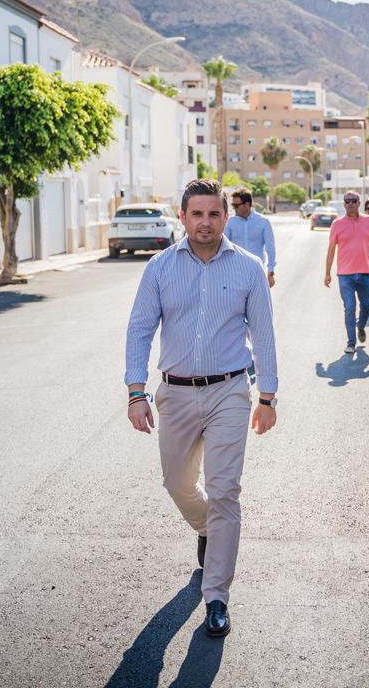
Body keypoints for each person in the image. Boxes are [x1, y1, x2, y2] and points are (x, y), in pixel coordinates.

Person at [125, 178, 278, 639]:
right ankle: (206, 529)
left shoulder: (249, 268)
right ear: (183, 216)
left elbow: (265, 337)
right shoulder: (158, 268)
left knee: (225, 490)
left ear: (226, 217)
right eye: (197, 214)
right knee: (176, 482)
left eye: (214, 214)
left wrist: (268, 397)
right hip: (174, 392)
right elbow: (139, 330)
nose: (205, 222)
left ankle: (216, 597)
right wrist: (136, 391)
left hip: (229, 391)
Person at [324, 190, 369, 354]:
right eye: (347, 201)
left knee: (367, 307)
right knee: (350, 307)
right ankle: (351, 342)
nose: (351, 204)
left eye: (354, 201)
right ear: (344, 204)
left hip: (365, 273)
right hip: (345, 275)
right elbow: (331, 249)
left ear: (359, 203)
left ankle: (361, 326)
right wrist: (327, 272)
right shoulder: (337, 224)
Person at [225, 186, 277, 287]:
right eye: (233, 205)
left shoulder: (263, 222)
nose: (234, 208)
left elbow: (270, 248)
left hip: (256, 271)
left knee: (256, 302)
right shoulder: (230, 222)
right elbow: (224, 246)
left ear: (247, 204)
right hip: (235, 272)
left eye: (236, 205)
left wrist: (270, 272)